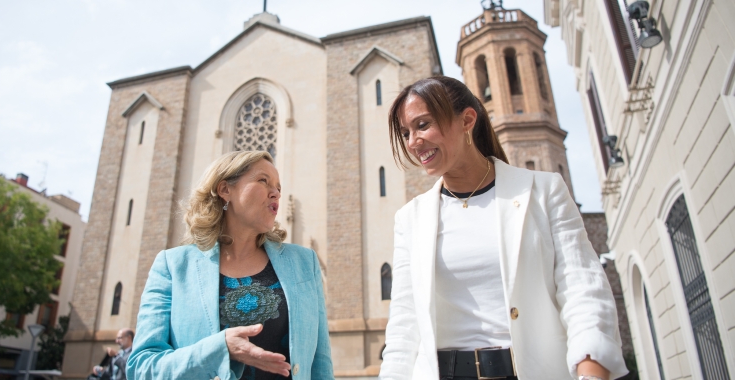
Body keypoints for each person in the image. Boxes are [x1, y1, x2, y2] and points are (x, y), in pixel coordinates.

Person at [379, 76, 628, 380]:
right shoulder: (410, 219)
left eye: (422, 125)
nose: (413, 142)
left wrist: (591, 371)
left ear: (467, 120)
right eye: (405, 133)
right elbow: (404, 324)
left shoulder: (544, 192)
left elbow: (583, 288)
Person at [127, 151, 333, 379]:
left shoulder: (305, 264)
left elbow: (320, 365)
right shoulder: (173, 267)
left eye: (279, 188)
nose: (275, 193)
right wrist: (219, 349)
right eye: (263, 181)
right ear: (225, 190)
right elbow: (141, 368)